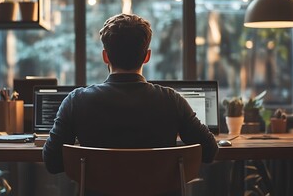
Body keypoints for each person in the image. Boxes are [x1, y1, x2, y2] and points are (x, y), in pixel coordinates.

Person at [43, 13, 218, 174]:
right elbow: (210, 151)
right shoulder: (172, 100)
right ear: (147, 56)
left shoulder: (76, 101)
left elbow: (52, 162)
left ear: (105, 56)